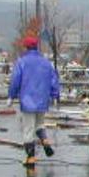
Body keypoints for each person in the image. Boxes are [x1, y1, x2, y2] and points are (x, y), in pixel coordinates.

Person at [7, 36, 60, 170]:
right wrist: (55, 95)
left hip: (27, 100)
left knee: (28, 129)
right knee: (40, 124)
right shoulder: (46, 63)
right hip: (43, 99)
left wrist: (11, 96)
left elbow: (16, 80)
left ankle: (30, 157)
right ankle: (45, 141)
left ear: (25, 47)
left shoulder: (22, 62)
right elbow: (54, 79)